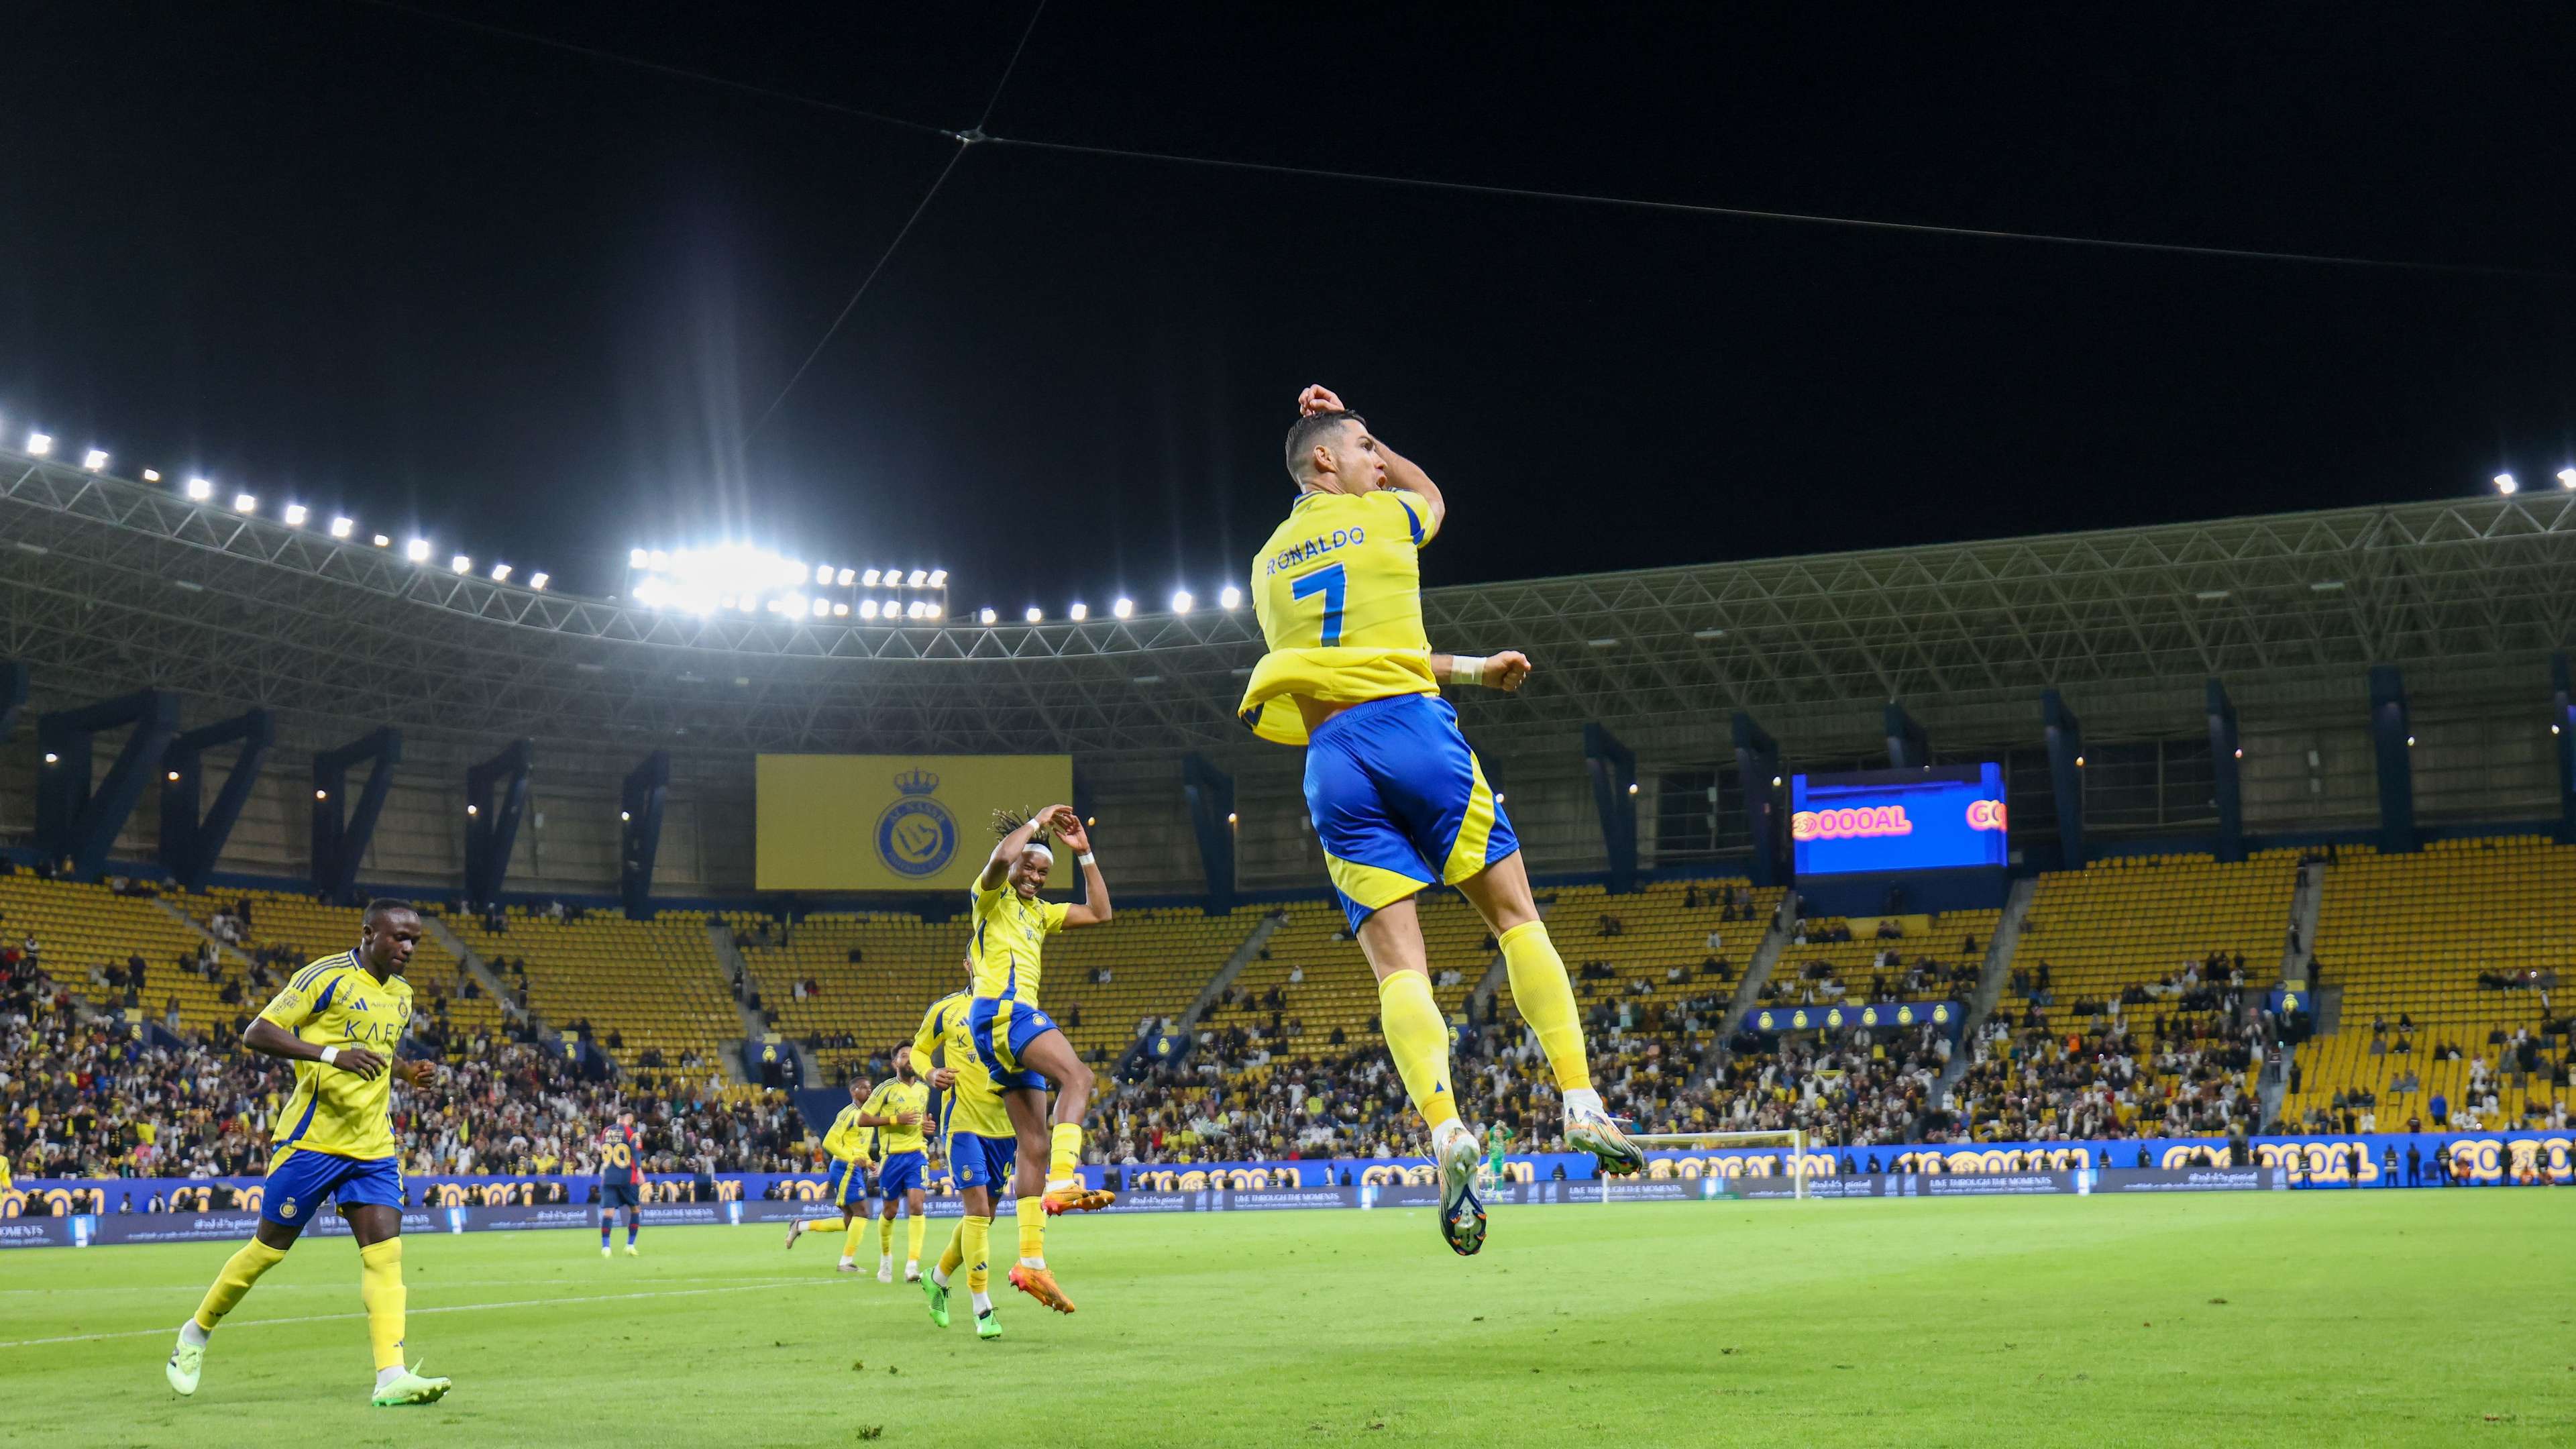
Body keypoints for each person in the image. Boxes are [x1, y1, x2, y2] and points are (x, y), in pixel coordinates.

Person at [1233, 385, 1639, 1258]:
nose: (1379, 463)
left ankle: (1447, 1130)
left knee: (1397, 970)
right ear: (1327, 462)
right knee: (1514, 916)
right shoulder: (1383, 516)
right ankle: (1579, 1098)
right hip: (1415, 730)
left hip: (1332, 761)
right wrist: (1376, 431)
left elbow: (1323, 666)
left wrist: (1351, 437)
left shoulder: (1264, 566)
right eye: (1365, 451)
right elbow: (1436, 502)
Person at [164, 900, 451, 1407]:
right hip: (311, 1142)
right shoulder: (326, 977)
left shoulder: (402, 995)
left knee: (386, 1256)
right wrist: (330, 1055)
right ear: (368, 933)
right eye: (399, 938)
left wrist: (404, 1073)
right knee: (267, 1252)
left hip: (372, 1146)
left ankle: (391, 1376)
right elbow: (258, 1032)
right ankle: (195, 1334)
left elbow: (378, 1051)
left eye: (415, 942)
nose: (408, 949)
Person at [967, 805, 1118, 1316]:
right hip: (1003, 1012)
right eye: (1029, 868)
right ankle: (1062, 1179)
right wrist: (1033, 824)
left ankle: (1030, 1260)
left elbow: (1101, 913)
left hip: (1005, 1030)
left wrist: (1085, 855)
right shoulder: (990, 897)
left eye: (1042, 872)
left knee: (1032, 1142)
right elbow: (999, 858)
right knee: (1078, 1075)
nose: (1033, 876)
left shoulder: (1040, 913)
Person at [906, 981, 1012, 1340]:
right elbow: (919, 1051)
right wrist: (931, 1073)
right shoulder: (947, 1009)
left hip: (1006, 1128)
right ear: (970, 963)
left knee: (984, 1216)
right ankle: (982, 1309)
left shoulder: (1016, 1004)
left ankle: (936, 1279)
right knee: (979, 1213)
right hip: (963, 1124)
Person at [784, 1082, 879, 1273]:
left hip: (854, 1168)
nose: (869, 1090)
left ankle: (800, 1226)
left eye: (870, 1087)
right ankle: (846, 1262)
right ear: (853, 1091)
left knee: (850, 1221)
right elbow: (829, 1142)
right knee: (862, 1213)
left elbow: (858, 1146)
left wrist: (869, 1162)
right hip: (845, 1167)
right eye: (864, 1087)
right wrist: (853, 1158)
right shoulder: (848, 1113)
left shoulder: (869, 1116)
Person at [857, 1051, 933, 1283]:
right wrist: (894, 1120)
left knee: (917, 1205)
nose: (909, 1060)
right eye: (903, 1056)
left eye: (912, 1056)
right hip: (891, 1158)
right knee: (890, 1211)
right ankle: (886, 1259)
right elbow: (863, 1119)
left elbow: (921, 1122)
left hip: (917, 1154)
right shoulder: (885, 1089)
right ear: (895, 1063)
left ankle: (912, 1265)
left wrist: (927, 1127)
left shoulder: (924, 1090)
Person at [597, 1111, 646, 1258]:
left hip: (609, 1177)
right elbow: (636, 1153)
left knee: (608, 1213)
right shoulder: (632, 1132)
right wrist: (639, 1170)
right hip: (627, 1177)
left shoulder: (605, 1131)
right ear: (629, 1119)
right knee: (635, 1210)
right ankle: (630, 1245)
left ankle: (606, 1248)